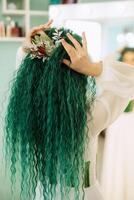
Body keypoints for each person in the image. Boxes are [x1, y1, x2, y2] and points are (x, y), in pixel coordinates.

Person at [13, 20, 134, 200]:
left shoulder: (30, 108)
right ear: (76, 74)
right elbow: (130, 79)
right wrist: (94, 68)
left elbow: (28, 72)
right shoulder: (89, 117)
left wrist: (26, 48)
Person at [101, 47, 134, 200]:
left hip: (131, 128)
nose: (129, 64)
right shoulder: (116, 80)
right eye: (126, 60)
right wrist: (118, 51)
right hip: (117, 127)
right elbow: (105, 63)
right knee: (116, 164)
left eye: (133, 60)